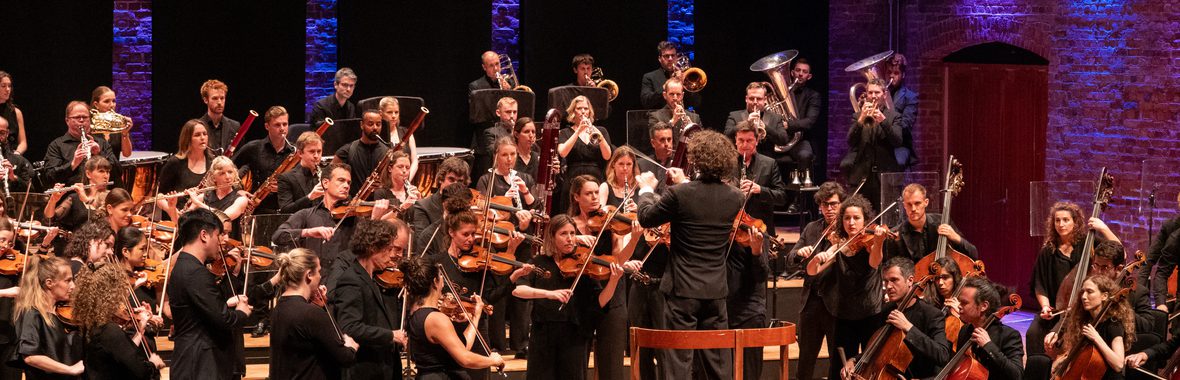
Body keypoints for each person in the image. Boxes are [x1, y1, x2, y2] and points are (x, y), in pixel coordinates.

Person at [634, 130, 743, 379]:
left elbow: (646, 217)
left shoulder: (679, 194)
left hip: (682, 291)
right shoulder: (736, 197)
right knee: (718, 365)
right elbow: (703, 198)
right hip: (715, 290)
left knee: (678, 363)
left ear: (695, 160)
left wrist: (647, 190)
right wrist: (684, 183)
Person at [513, 214, 624, 380]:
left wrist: (614, 281)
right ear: (552, 236)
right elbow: (518, 290)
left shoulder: (584, 266)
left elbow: (599, 302)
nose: (570, 239)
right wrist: (549, 294)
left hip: (574, 336)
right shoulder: (539, 262)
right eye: (564, 234)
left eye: (572, 233)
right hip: (543, 336)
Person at [428, 210, 531, 379]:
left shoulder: (480, 265)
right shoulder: (436, 262)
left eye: (473, 234)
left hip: (477, 331)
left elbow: (491, 297)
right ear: (451, 232)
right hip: (447, 332)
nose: (471, 239)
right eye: (465, 234)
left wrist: (513, 277)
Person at [1026, 201, 1120, 379]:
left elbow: (1118, 251)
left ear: (1075, 222)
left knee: (1066, 338)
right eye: (1057, 220)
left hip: (1082, 309)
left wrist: (1104, 228)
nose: (1061, 224)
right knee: (1033, 333)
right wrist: (1045, 306)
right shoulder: (1048, 250)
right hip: (1056, 310)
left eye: (1066, 220)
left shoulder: (1089, 244)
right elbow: (1039, 285)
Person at [567, 173, 643, 379]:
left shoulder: (609, 223)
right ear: (576, 197)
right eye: (588, 193)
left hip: (612, 293)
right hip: (581, 297)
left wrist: (634, 239)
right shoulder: (568, 226)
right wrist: (574, 240)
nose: (594, 197)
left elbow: (618, 260)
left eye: (595, 193)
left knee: (612, 363)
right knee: (575, 361)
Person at [807, 194, 888, 379]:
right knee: (839, 368)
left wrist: (879, 242)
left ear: (865, 220)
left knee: (871, 366)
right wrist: (816, 259)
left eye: (856, 218)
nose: (851, 223)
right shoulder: (839, 245)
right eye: (847, 218)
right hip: (844, 314)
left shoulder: (870, 244)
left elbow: (875, 263)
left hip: (870, 313)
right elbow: (813, 271)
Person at [166, 208, 253, 379]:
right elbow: (224, 320)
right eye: (218, 235)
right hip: (200, 364)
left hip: (192, 359)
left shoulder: (183, 266)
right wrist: (242, 312)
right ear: (204, 235)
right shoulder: (195, 272)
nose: (221, 241)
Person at [840, 256, 950, 379]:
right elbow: (878, 350)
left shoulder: (931, 314)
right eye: (886, 281)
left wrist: (909, 328)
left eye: (894, 280)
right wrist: (854, 360)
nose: (888, 286)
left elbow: (943, 355)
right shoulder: (886, 310)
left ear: (910, 280)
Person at [401, 255, 506, 379]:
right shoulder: (436, 319)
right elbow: (465, 359)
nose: (443, 279)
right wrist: (493, 360)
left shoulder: (414, 312)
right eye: (440, 275)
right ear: (435, 281)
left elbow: (462, 346)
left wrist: (475, 317)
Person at [273, 163, 388, 268]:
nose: (346, 186)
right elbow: (278, 236)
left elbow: (366, 250)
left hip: (344, 281)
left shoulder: (354, 217)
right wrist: (309, 232)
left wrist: (375, 220)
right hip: (314, 280)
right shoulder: (306, 214)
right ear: (325, 183)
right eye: (341, 180)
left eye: (348, 182)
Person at [271, 248, 358, 379]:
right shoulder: (311, 313)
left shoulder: (279, 306)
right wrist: (352, 347)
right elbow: (345, 357)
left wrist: (322, 306)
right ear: (309, 274)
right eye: (318, 271)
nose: (321, 276)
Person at [788, 181, 845, 380]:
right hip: (811, 303)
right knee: (805, 361)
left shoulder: (848, 230)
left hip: (836, 304)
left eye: (834, 204)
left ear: (842, 204)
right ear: (820, 206)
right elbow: (790, 259)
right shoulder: (812, 228)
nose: (829, 209)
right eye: (825, 205)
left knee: (837, 362)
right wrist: (798, 254)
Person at [73, 262, 164, 379]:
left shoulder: (90, 322)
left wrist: (140, 327)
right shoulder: (108, 330)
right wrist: (153, 364)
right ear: (111, 293)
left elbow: (121, 353)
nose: (126, 293)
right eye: (122, 288)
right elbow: (140, 371)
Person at [8, 256, 84, 379]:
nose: (73, 286)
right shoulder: (32, 314)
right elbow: (31, 357)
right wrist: (70, 370)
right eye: (68, 281)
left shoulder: (62, 310)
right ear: (49, 283)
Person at [1043, 277, 1132, 379]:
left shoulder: (1113, 325)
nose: (1084, 296)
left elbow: (1119, 365)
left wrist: (1096, 338)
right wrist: (1060, 362)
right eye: (1083, 292)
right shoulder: (1086, 320)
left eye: (1089, 292)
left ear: (1104, 296)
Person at [840, 79, 902, 209]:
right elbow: (850, 142)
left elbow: (897, 141)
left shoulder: (894, 117)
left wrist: (883, 121)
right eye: (870, 92)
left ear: (884, 94)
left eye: (877, 93)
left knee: (885, 218)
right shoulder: (857, 116)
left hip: (885, 176)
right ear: (866, 94)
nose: (873, 96)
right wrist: (861, 119)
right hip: (862, 176)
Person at [886, 183, 979, 262]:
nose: (913, 209)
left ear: (926, 202)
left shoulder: (941, 221)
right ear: (904, 205)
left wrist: (956, 237)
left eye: (917, 203)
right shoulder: (897, 234)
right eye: (909, 204)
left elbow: (973, 254)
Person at [953, 277, 1024, 379]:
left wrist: (988, 345)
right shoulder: (965, 330)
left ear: (984, 306)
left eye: (964, 303)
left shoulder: (1009, 335)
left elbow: (1017, 375)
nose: (959, 306)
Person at [232, 105, 294, 214]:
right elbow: (228, 167)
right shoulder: (253, 148)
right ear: (267, 126)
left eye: (285, 124)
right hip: (258, 210)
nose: (282, 128)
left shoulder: (295, 152)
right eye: (277, 125)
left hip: (287, 210)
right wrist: (237, 191)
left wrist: (284, 186)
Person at [43, 101, 119, 188]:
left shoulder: (101, 143)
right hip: (71, 195)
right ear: (67, 121)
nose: (82, 120)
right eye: (77, 117)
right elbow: (49, 177)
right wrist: (73, 164)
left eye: (85, 117)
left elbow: (118, 172)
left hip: (101, 193)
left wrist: (99, 154)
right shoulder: (56, 145)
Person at [556, 95, 611, 214]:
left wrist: (594, 130)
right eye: (579, 108)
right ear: (573, 112)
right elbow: (563, 152)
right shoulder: (565, 132)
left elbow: (607, 156)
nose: (583, 111)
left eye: (586, 108)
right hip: (573, 178)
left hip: (596, 177)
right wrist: (578, 131)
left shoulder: (600, 131)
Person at [45, 156, 112, 253]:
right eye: (101, 171)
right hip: (78, 249)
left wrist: (85, 199)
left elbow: (102, 218)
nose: (106, 176)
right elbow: (50, 219)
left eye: (108, 172)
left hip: (102, 248)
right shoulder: (75, 198)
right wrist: (53, 200)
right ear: (88, 174)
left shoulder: (111, 197)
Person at [732, 120, 788, 233]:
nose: (744, 145)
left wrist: (760, 190)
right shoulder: (726, 163)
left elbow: (782, 197)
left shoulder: (770, 164)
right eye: (741, 140)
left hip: (761, 228)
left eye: (749, 141)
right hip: (733, 229)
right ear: (735, 141)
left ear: (757, 141)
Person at [157, 119, 214, 221]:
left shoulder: (213, 162)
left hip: (205, 219)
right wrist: (171, 209)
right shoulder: (175, 163)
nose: (202, 138)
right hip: (177, 219)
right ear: (188, 139)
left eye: (205, 134)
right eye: (197, 135)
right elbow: (159, 195)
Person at [334, 109, 388, 198]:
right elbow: (331, 177)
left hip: (380, 204)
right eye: (370, 124)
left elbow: (394, 183)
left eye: (378, 124)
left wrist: (382, 185)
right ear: (361, 125)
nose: (375, 128)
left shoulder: (387, 152)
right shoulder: (346, 151)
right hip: (352, 205)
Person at [410, 157, 470, 234]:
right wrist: (444, 217)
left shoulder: (465, 207)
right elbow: (422, 241)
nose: (455, 185)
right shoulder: (423, 206)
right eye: (451, 180)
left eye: (460, 181)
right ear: (441, 179)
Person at [185, 156, 251, 221]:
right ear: (213, 177)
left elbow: (224, 218)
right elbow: (183, 222)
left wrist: (197, 202)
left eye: (230, 172)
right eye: (222, 173)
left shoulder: (241, 200)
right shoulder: (202, 198)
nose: (228, 177)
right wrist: (174, 208)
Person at [640, 41, 701, 109]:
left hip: (682, 117)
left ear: (677, 57)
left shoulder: (684, 76)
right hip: (659, 118)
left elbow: (696, 103)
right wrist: (667, 84)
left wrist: (685, 83)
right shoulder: (649, 77)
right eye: (666, 56)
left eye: (673, 55)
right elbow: (646, 102)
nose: (670, 59)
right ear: (660, 59)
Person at [311, 67, 359, 153]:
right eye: (345, 85)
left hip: (345, 151)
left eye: (351, 86)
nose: (348, 89)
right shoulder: (321, 106)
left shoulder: (351, 107)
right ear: (335, 85)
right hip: (324, 151)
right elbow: (317, 135)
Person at [277, 132, 326, 213]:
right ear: (300, 153)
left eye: (319, 151)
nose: (316, 156)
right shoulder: (286, 178)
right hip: (301, 224)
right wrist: (310, 197)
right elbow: (285, 210)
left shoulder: (327, 174)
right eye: (312, 151)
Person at [474, 97, 519, 178]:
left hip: (518, 171)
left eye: (514, 112)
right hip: (498, 175)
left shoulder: (520, 132)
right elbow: (492, 152)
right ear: (498, 113)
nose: (512, 116)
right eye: (508, 112)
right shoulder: (491, 132)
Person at [888, 54, 919, 170]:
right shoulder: (878, 94)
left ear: (903, 75)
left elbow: (906, 126)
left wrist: (888, 115)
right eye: (889, 72)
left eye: (896, 73)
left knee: (896, 162)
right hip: (880, 142)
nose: (891, 77)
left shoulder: (910, 97)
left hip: (899, 145)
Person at [372, 150, 421, 222]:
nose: (404, 171)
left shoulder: (412, 193)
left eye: (407, 167)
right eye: (400, 166)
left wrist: (420, 203)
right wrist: (402, 207)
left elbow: (419, 220)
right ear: (390, 169)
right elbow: (379, 222)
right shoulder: (381, 193)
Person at [377, 96, 419, 177]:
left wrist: (407, 179)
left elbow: (414, 161)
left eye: (396, 112)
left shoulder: (407, 133)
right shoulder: (377, 136)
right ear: (381, 114)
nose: (393, 116)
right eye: (389, 112)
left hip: (406, 180)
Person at [197, 79, 241, 155]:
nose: (220, 102)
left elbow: (240, 156)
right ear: (205, 100)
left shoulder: (235, 126)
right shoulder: (197, 126)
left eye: (222, 98)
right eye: (215, 98)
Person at [89, 86, 133, 159]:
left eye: (113, 101)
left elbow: (127, 154)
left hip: (114, 169)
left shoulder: (118, 124)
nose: (112, 105)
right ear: (96, 104)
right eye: (106, 101)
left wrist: (125, 133)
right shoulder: (89, 124)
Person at [0, 115, 33, 192]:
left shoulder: (19, 161)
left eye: (2, 133)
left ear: (7, 133)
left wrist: (13, 178)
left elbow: (31, 191)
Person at [0, 72, 27, 154]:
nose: (8, 89)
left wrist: (17, 154)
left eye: (9, 86)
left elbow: (23, 142)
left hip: (12, 155)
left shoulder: (16, 112)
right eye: (3, 86)